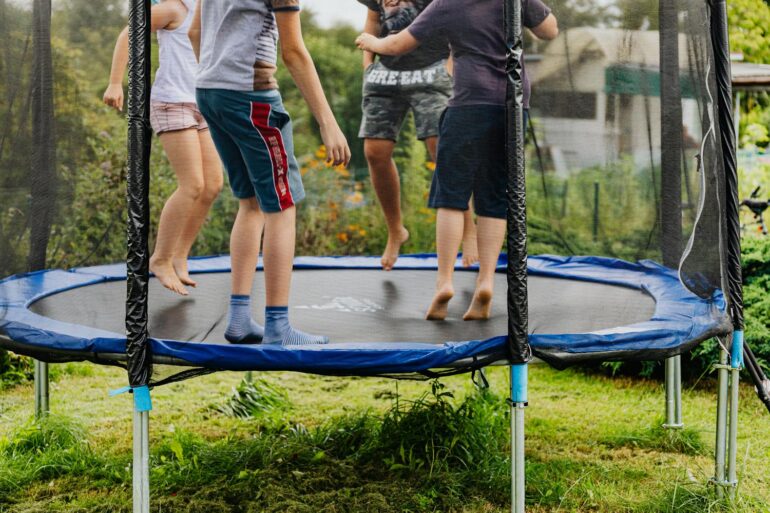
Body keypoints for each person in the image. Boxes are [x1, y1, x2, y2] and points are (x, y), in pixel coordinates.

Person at [356, 0, 558, 321]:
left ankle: (445, 282)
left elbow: (398, 44)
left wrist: (372, 43)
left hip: (468, 102)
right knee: (493, 197)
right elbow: (550, 30)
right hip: (513, 104)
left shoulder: (448, 3)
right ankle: (487, 282)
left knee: (451, 196)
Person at [189, 0, 351, 345]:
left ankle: (238, 319)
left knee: (250, 202)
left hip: (209, 90)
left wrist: (217, 70)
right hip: (251, 96)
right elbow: (293, 52)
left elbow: (194, 32)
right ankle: (278, 326)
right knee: (282, 204)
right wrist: (328, 122)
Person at [104, 0, 223, 297]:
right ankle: (160, 258)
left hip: (202, 103)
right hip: (172, 102)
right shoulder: (173, 9)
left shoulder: (209, 9)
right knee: (192, 184)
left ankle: (180, 255)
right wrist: (115, 83)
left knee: (213, 186)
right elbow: (128, 34)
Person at [358, 0, 479, 271]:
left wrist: (450, 66)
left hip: (431, 69)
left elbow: (457, 20)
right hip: (386, 74)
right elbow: (373, 19)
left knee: (442, 149)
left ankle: (469, 228)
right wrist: (367, 65)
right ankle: (395, 231)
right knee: (375, 152)